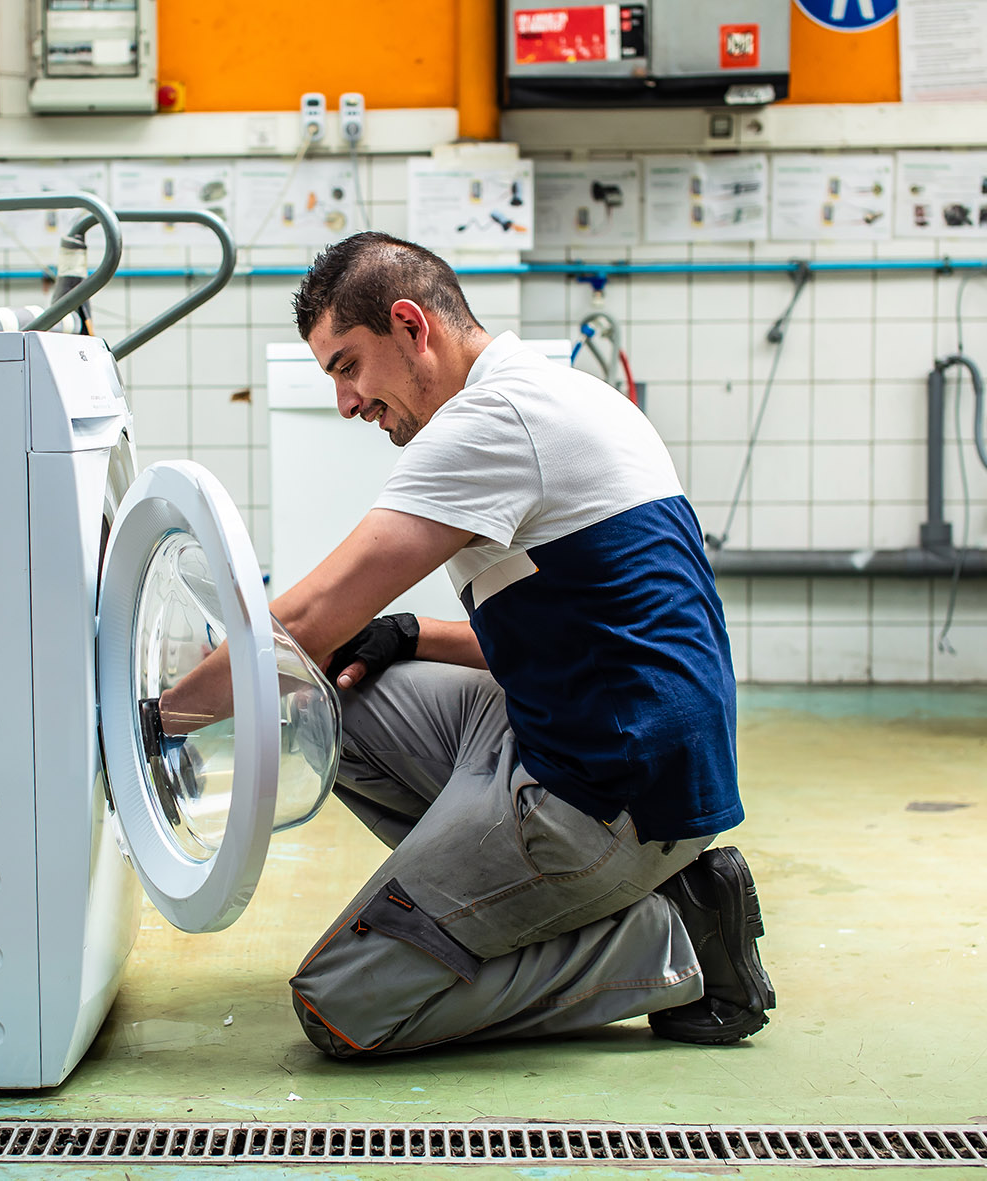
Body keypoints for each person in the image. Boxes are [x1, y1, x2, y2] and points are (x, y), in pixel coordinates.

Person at [160, 231, 774, 1057]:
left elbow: (303, 620)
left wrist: (157, 720)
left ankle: (671, 938)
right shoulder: (555, 394)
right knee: (341, 689)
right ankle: (499, 898)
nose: (345, 402)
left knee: (342, 1006)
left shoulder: (492, 423)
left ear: (412, 326)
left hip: (609, 797)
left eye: (348, 366)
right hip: (619, 742)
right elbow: (588, 638)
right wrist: (411, 633)